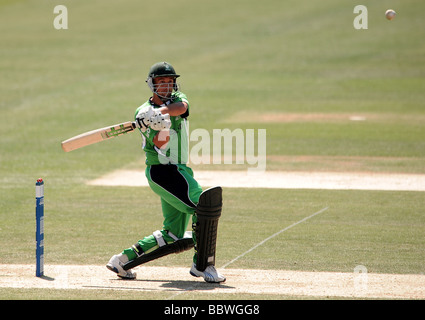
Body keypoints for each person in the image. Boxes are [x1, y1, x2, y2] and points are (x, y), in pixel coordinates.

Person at [106, 62, 226, 283]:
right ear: (152, 84)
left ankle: (121, 260)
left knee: (173, 234)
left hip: (178, 169)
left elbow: (182, 107)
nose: (166, 86)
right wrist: (156, 126)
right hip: (164, 171)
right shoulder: (142, 112)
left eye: (169, 81)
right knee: (203, 208)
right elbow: (161, 143)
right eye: (161, 82)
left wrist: (160, 113)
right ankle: (203, 266)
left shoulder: (177, 98)